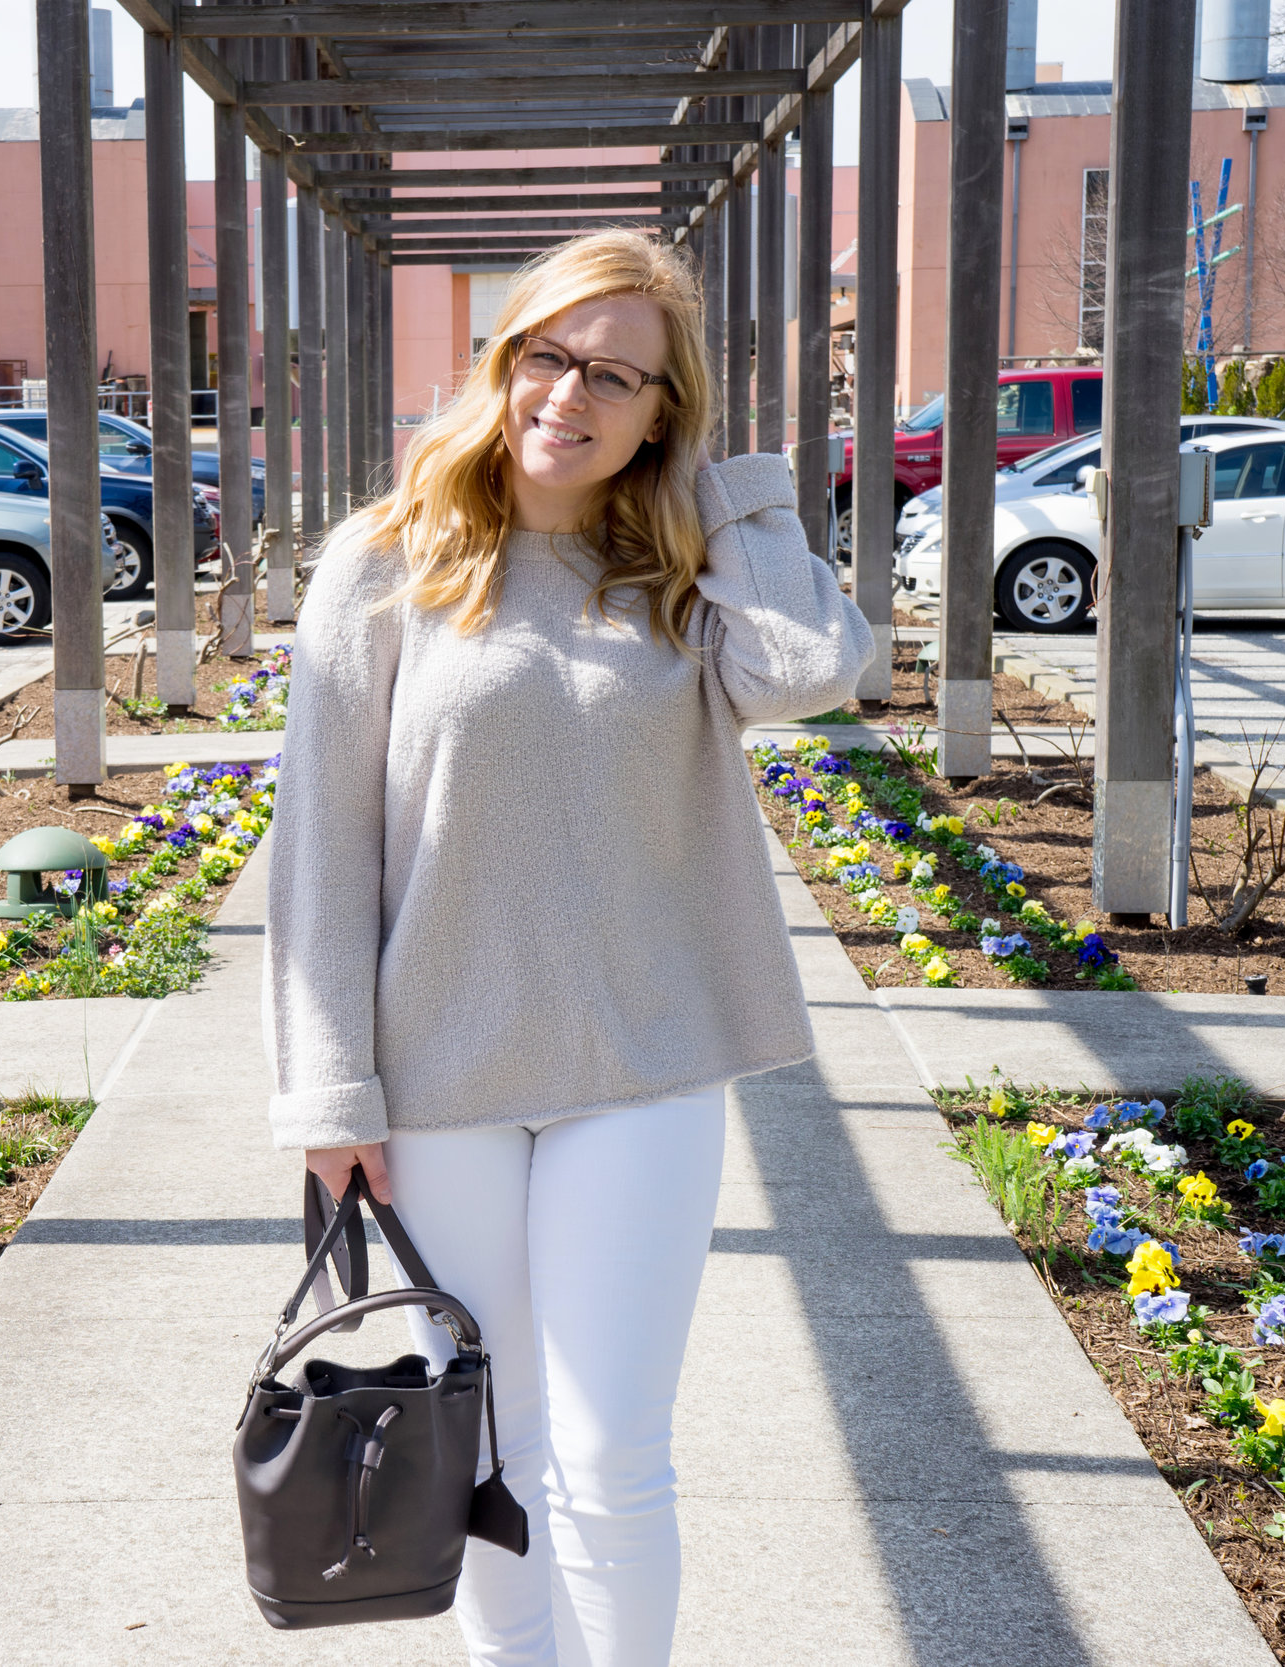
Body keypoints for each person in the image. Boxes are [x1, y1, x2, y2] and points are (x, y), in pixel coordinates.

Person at [265, 230, 874, 1666]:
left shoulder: (679, 571)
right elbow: (323, 850)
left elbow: (811, 674)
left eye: (619, 374)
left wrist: (739, 499)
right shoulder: (383, 564)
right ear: (503, 361)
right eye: (548, 353)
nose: (571, 394)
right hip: (439, 1078)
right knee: (486, 1449)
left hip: (643, 1068)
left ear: (663, 409)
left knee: (612, 1459)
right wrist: (329, 1097)